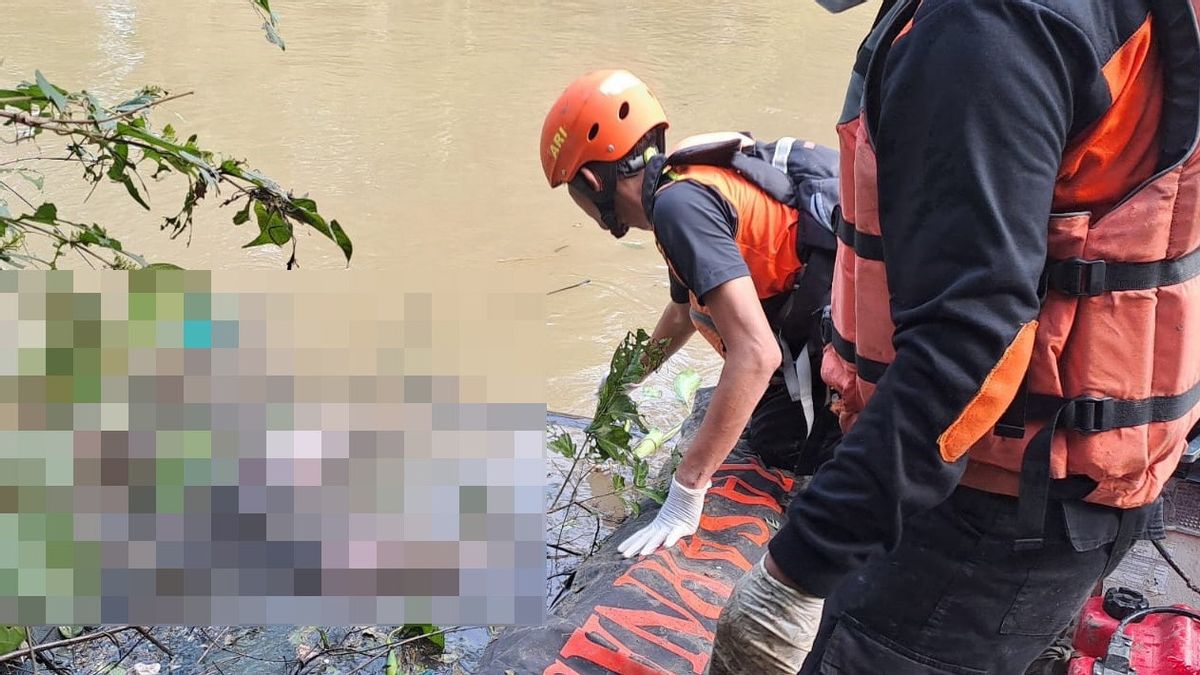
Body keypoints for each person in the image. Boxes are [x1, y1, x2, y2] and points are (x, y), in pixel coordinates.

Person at [705, 0, 1200, 673]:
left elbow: (970, 346)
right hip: (1085, 489)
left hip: (987, 511)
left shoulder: (985, 28)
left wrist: (797, 566)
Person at [539, 69, 843, 559]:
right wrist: (621, 383)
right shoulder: (682, 184)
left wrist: (686, 491)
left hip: (836, 328)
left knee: (779, 452)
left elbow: (757, 353)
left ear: (593, 181)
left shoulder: (679, 207)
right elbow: (683, 314)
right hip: (820, 301)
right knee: (755, 420)